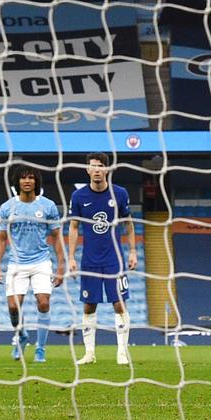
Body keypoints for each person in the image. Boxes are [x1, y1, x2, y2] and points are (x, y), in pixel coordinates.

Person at [67, 152, 138, 366]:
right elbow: (73, 227)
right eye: (93, 166)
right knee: (89, 306)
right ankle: (89, 353)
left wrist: (133, 251)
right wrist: (71, 257)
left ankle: (122, 353)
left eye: (100, 166)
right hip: (90, 261)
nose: (97, 170)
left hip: (114, 260)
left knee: (119, 304)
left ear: (107, 169)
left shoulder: (120, 194)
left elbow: (129, 223)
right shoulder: (79, 197)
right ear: (87, 170)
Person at [0, 164, 66, 364]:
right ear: (17, 182)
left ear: (36, 181)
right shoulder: (7, 207)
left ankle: (40, 349)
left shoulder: (48, 206)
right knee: (13, 307)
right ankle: (22, 335)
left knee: (43, 302)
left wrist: (61, 266)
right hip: (17, 263)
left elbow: (57, 237)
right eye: (23, 178)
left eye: (31, 178)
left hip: (41, 262)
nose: (27, 181)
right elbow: (1, 239)